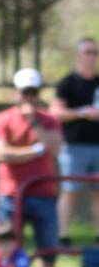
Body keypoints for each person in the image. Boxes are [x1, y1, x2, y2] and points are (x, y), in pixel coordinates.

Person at [0, 68, 66, 267]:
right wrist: (37, 150)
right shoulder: (2, 119)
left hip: (44, 194)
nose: (29, 98)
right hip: (11, 195)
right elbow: (2, 153)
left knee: (48, 251)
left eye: (33, 92)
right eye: (25, 92)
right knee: (7, 251)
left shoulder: (49, 120)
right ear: (16, 93)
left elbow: (55, 148)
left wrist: (34, 123)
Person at [50, 37, 99, 246]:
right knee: (70, 190)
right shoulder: (68, 83)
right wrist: (81, 112)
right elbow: (55, 112)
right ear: (78, 55)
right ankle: (62, 236)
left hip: (97, 145)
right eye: (88, 52)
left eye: (95, 52)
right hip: (73, 146)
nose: (92, 56)